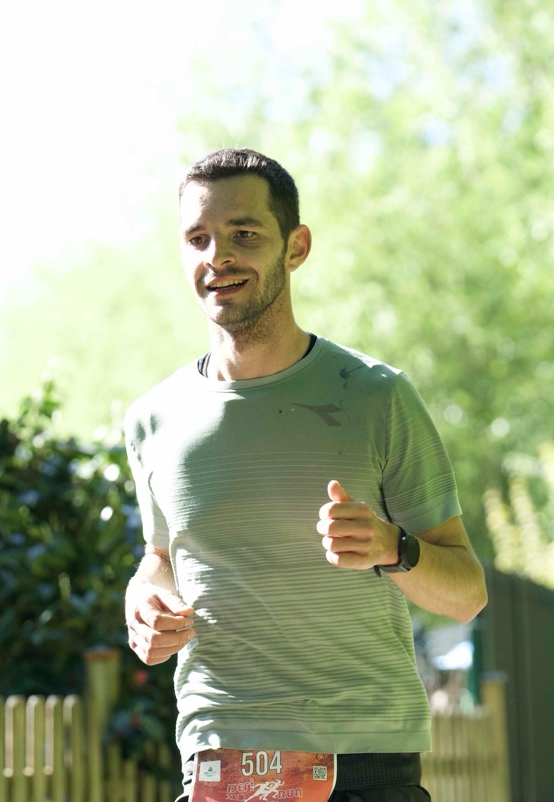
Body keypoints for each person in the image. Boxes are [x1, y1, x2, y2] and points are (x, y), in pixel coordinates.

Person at [123, 148, 487, 802]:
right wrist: (144, 598)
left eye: (244, 234)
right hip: (221, 761)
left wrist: (390, 546)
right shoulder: (153, 420)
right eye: (198, 238)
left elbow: (466, 593)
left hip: (365, 763)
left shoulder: (375, 396)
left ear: (297, 247)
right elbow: (161, 557)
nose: (217, 257)